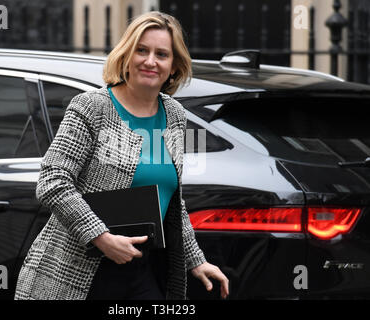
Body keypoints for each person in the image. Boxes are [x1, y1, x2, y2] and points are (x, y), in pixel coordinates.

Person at [14, 11, 229, 300]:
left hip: (141, 271)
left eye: (161, 54)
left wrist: (196, 260)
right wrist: (102, 238)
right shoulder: (92, 107)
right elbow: (53, 181)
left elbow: (173, 201)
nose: (150, 61)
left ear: (174, 66)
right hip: (77, 269)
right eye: (141, 50)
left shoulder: (174, 115)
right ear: (126, 55)